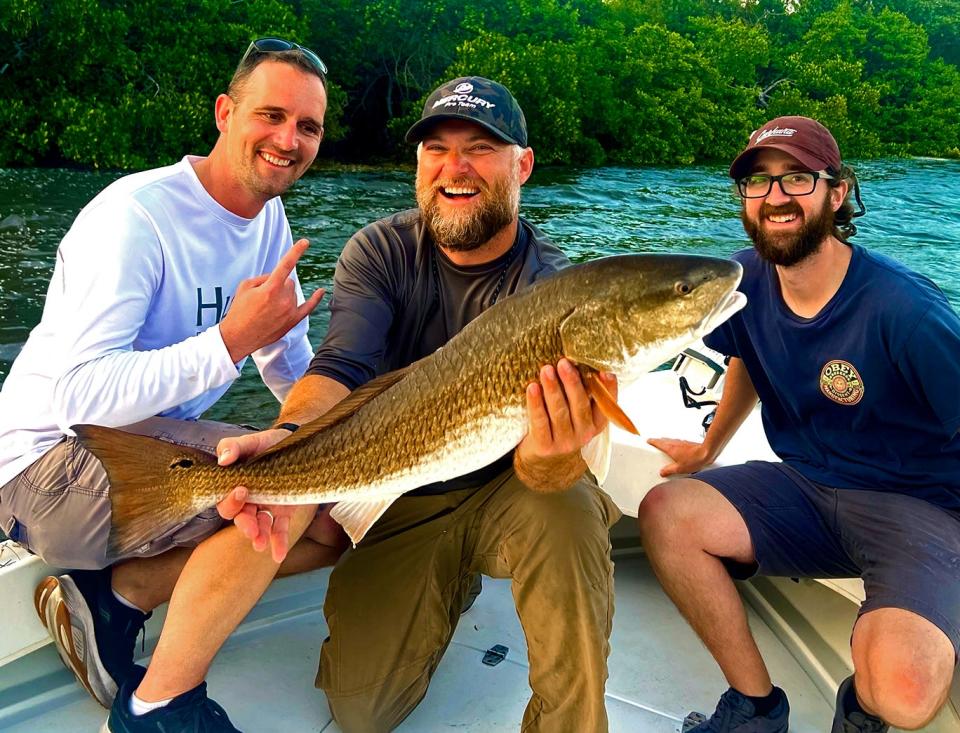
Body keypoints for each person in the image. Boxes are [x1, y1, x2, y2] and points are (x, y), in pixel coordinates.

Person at [218, 76, 622, 732]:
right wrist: (288, 437)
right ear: (417, 164)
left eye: (481, 148)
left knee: (569, 505)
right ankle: (446, 581)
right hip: (401, 492)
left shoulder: (551, 286)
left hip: (511, 487)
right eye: (436, 147)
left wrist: (554, 459)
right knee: (360, 709)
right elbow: (341, 366)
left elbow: (553, 468)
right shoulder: (380, 250)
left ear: (522, 165)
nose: (454, 168)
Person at [0, 38, 344, 732]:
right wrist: (228, 341)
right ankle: (156, 705)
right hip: (43, 468)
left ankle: (120, 597)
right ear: (224, 111)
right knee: (283, 486)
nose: (289, 139)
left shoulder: (269, 222)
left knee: (337, 513)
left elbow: (288, 368)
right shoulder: (136, 216)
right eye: (271, 115)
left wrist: (358, 438)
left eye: (307, 126)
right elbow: (80, 395)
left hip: (145, 457)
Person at [639, 115, 960, 732]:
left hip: (917, 508)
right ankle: (756, 708)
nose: (775, 197)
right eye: (758, 183)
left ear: (837, 193)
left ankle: (863, 711)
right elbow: (747, 360)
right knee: (667, 512)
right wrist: (708, 451)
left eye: (796, 179)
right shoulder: (740, 280)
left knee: (906, 693)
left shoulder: (906, 310)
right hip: (804, 488)